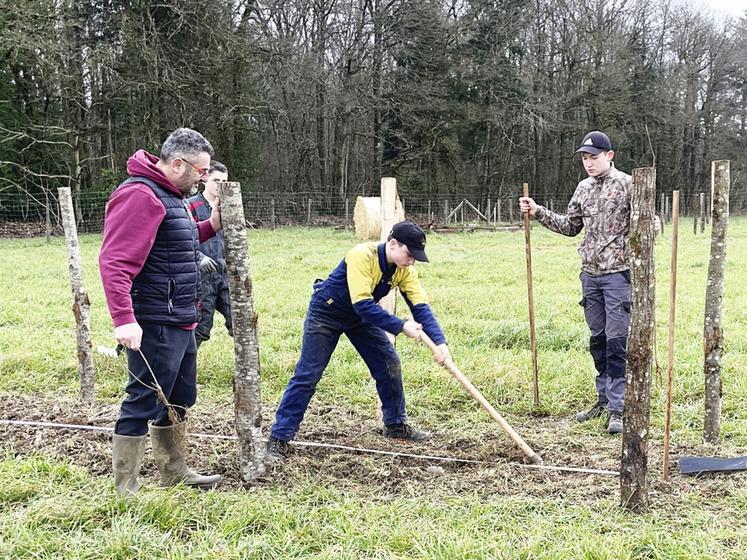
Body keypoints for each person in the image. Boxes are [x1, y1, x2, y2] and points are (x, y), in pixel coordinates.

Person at [99, 127, 224, 496]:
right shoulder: (140, 196)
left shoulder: (171, 195)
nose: (204, 179)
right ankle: (126, 488)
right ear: (178, 163)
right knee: (143, 398)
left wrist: (212, 224)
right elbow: (115, 261)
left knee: (180, 396)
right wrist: (124, 319)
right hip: (154, 319)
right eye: (201, 172)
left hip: (183, 315)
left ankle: (173, 469)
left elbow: (176, 240)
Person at [265, 220, 451, 461]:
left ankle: (395, 425)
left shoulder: (405, 270)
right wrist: (401, 326)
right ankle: (279, 437)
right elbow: (363, 305)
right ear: (393, 244)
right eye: (409, 254)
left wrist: (440, 343)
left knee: (388, 362)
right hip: (327, 313)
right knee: (308, 374)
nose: (412, 260)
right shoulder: (362, 255)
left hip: (359, 317)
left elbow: (421, 307)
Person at [519, 131, 632, 435]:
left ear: (610, 155)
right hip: (590, 276)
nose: (588, 163)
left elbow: (647, 223)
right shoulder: (583, 188)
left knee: (617, 341)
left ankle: (618, 408)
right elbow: (571, 226)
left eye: (593, 157)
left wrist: (654, 225)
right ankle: (603, 399)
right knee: (598, 340)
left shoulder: (628, 185)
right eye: (584, 158)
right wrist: (538, 211)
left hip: (618, 274)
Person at [188, 161, 232, 348]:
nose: (219, 185)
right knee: (201, 327)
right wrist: (199, 257)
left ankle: (247, 368)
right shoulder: (191, 205)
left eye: (224, 181)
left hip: (225, 275)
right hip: (201, 279)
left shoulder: (230, 207)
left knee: (240, 320)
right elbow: (183, 239)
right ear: (205, 179)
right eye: (216, 180)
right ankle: (185, 369)